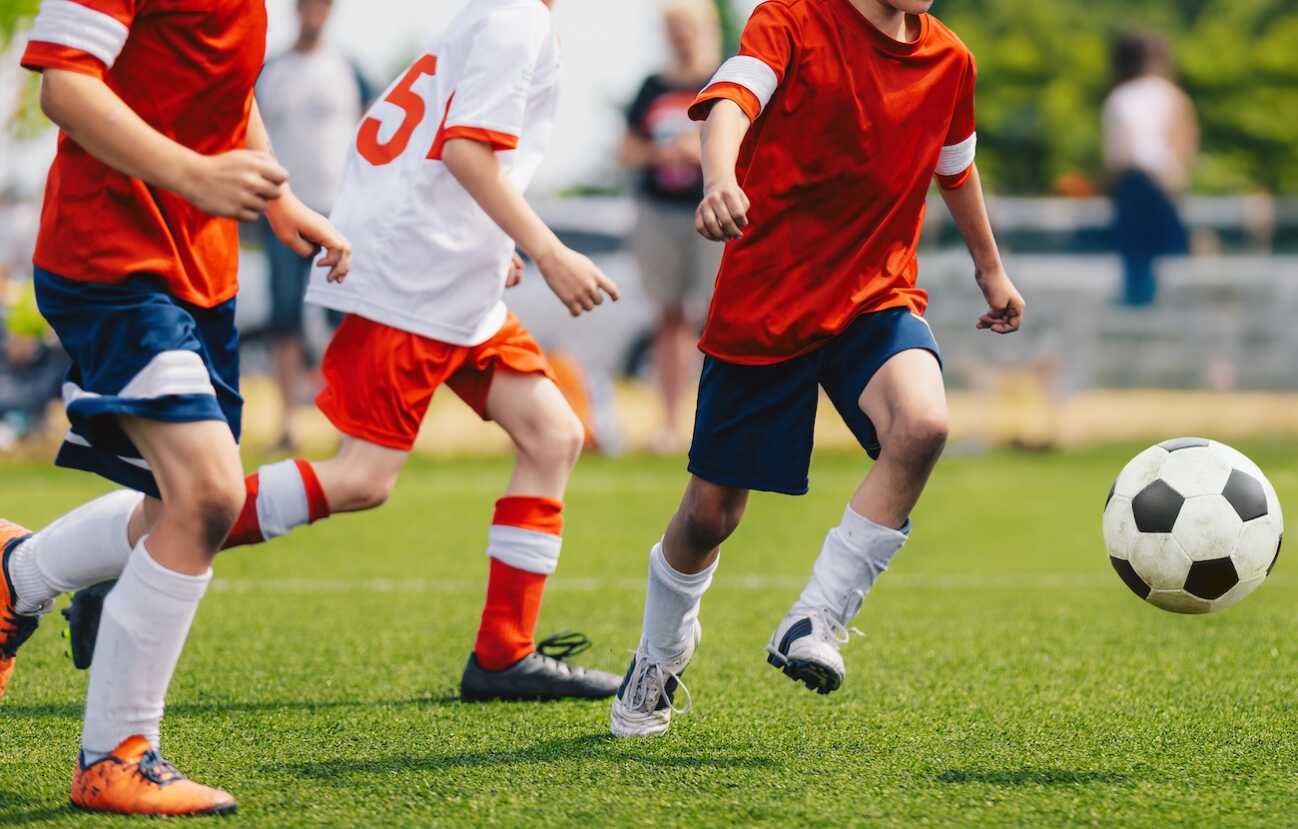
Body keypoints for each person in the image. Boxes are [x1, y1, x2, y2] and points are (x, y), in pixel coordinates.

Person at [65, 0, 626, 705]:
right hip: (417, 282)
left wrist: (492, 244)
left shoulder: (494, 13)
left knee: (554, 433)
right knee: (363, 478)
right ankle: (141, 567)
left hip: (447, 276)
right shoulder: (517, 19)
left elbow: (429, 143)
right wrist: (547, 249)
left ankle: (502, 654)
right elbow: (461, 149)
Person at [609, 0, 1025, 738]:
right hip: (769, 297)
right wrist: (719, 179)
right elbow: (731, 102)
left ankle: (814, 619)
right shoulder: (791, 19)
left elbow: (955, 169)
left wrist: (991, 271)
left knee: (924, 423)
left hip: (875, 295)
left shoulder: (950, 60)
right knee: (711, 514)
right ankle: (659, 655)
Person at [2, 0, 349, 816]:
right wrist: (194, 173)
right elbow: (64, 87)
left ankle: (17, 574)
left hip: (202, 268)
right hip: (114, 258)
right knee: (210, 495)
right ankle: (116, 752)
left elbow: (220, 83)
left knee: (172, 506)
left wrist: (277, 199)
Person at [256, 0, 370, 450]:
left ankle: (350, 425)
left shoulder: (348, 70)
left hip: (339, 210)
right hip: (283, 209)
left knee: (343, 322)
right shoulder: (269, 72)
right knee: (284, 318)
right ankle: (287, 424)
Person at [620, 0, 724, 453]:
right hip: (659, 215)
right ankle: (669, 421)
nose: (681, 36)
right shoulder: (651, 88)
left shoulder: (723, 81)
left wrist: (703, 156)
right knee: (668, 317)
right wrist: (663, 154)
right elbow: (626, 150)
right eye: (673, 28)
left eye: (688, 27)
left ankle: (716, 419)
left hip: (715, 214)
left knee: (717, 319)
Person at [1102, 32, 1197, 307]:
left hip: (1132, 182)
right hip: (1164, 184)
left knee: (1135, 262)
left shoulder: (1119, 97)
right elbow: (1184, 146)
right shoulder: (1173, 96)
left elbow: (1118, 155)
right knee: (1174, 257)